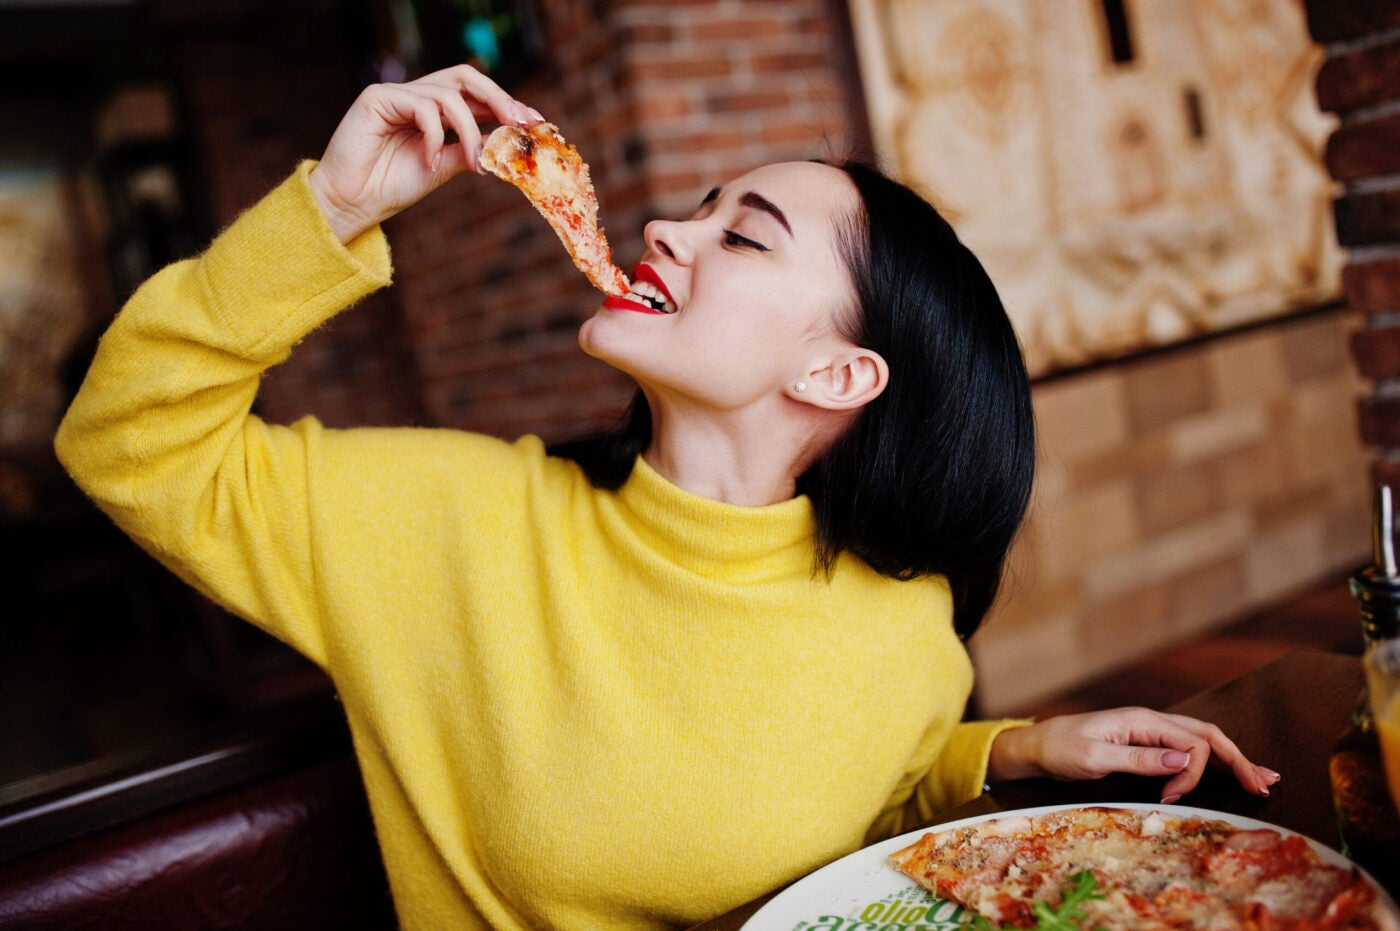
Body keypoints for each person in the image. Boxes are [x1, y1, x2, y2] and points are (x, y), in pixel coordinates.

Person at [55, 65, 1280, 930]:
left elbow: (865, 793)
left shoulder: (899, 619)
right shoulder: (443, 521)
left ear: (838, 374)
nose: (659, 230)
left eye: (739, 237)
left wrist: (1006, 750)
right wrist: (328, 210)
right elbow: (128, 442)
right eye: (696, 209)